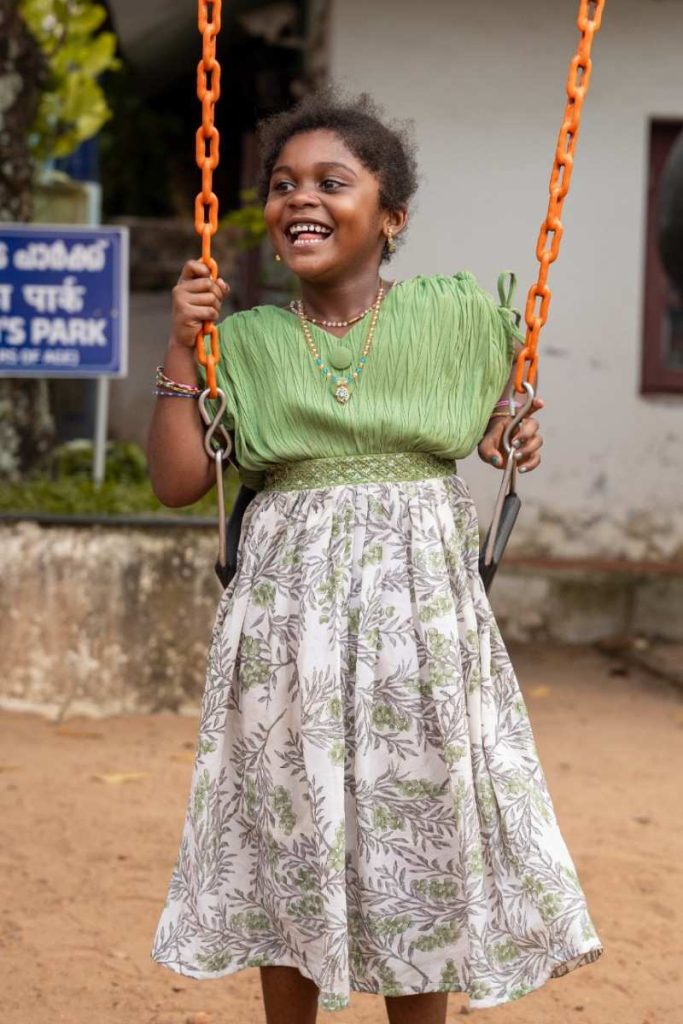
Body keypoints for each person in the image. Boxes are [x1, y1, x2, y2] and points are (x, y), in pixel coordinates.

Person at [147, 90, 603, 1024]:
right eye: (282, 185)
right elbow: (177, 480)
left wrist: (510, 436)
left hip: (417, 615)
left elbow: (491, 429)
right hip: (288, 621)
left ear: (389, 216)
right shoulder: (245, 342)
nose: (299, 198)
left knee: (416, 820)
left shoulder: (456, 316)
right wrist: (181, 348)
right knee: (289, 818)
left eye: (330, 182)